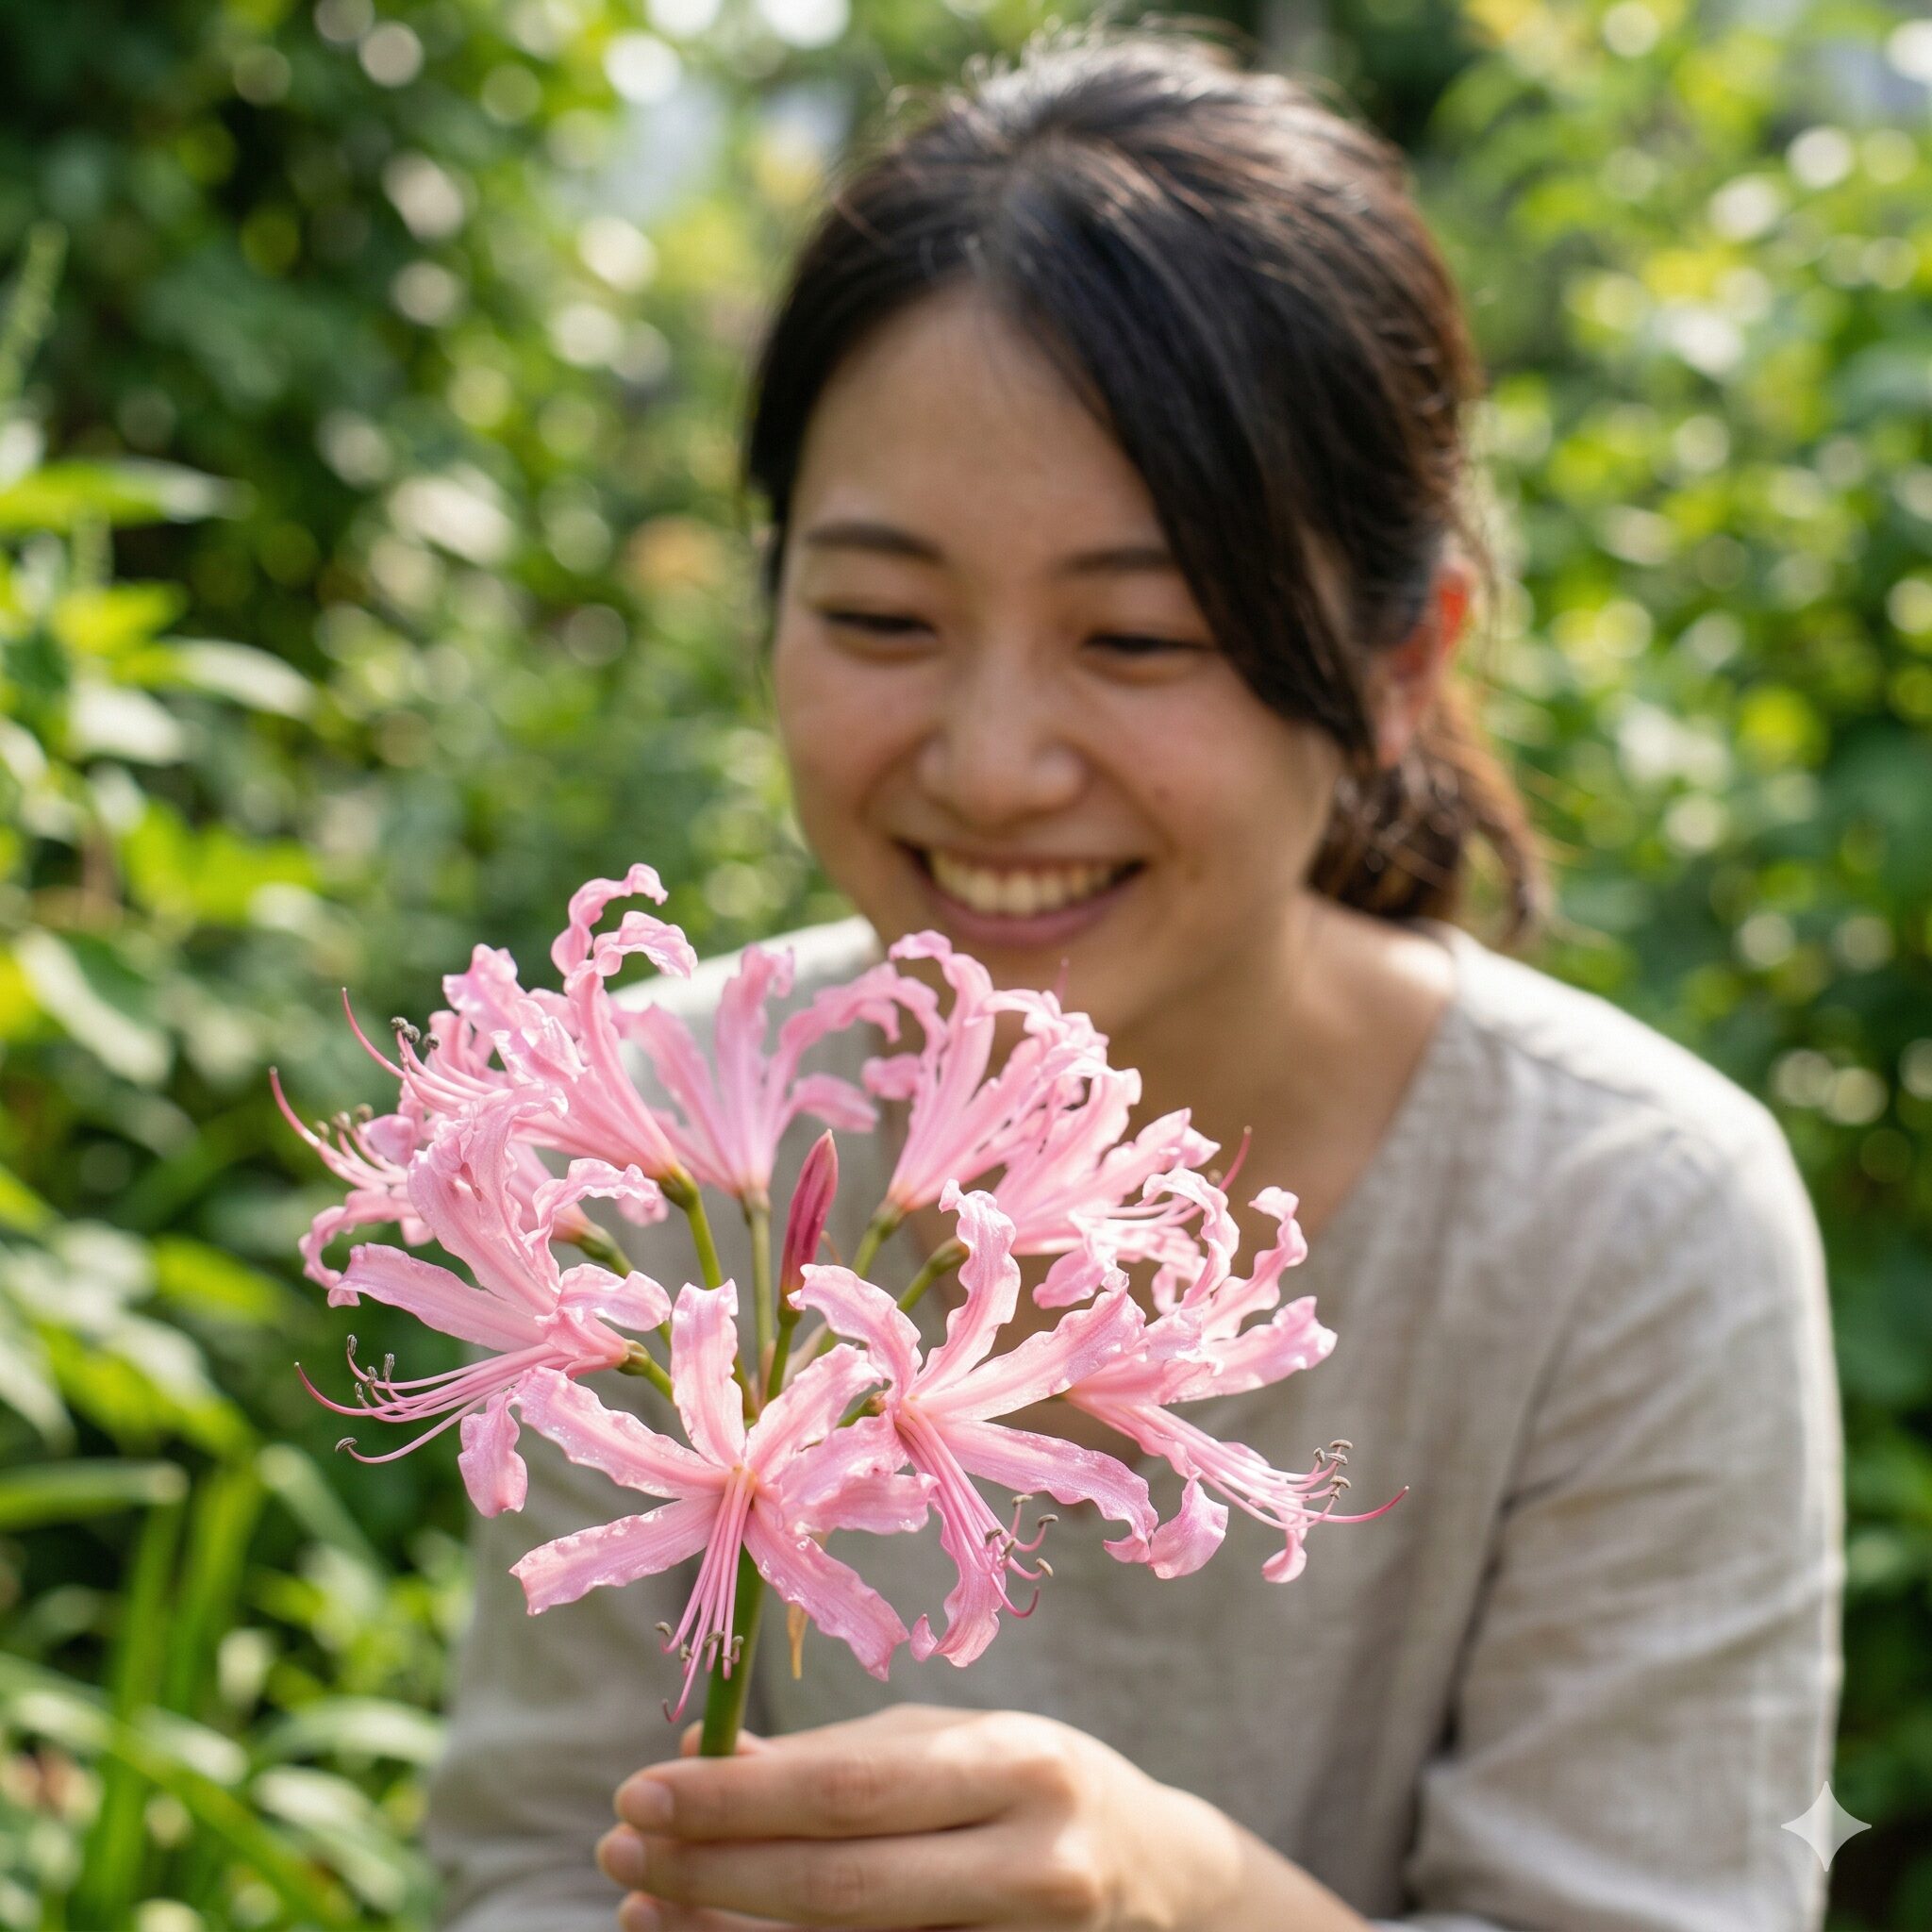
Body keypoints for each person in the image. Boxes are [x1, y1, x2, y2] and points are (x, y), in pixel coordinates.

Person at [424, 24, 1843, 1931]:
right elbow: (522, 1861)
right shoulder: (657, 1122)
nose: (994, 761)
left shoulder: (1629, 1218)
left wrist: (1189, 1894)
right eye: (877, 617)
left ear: (1403, 662)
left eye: (1140, 634)